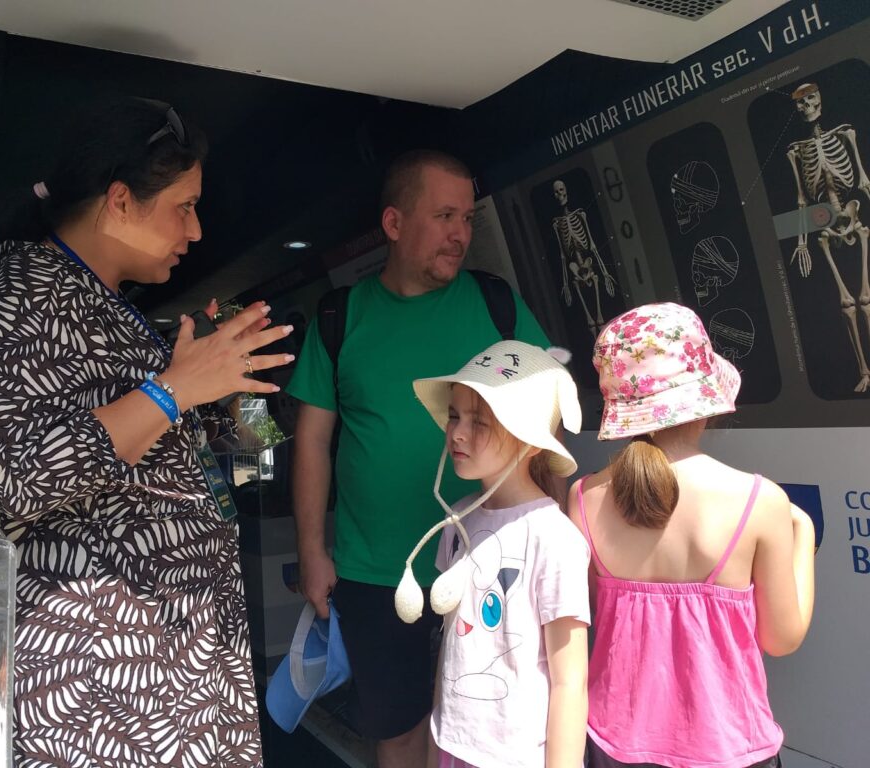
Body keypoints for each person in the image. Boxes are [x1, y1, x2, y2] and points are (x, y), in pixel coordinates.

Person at [0, 97, 293, 768]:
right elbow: (17, 480)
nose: (196, 231)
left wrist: (242, 391)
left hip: (185, 663)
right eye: (184, 206)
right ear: (122, 200)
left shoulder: (123, 319)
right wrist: (173, 389)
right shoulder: (15, 296)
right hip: (106, 680)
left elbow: (246, 465)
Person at [288, 150, 551, 767]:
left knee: (489, 729)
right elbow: (312, 442)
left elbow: (547, 413)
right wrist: (312, 550)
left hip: (492, 565)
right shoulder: (341, 318)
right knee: (399, 731)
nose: (461, 233)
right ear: (394, 223)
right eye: (443, 216)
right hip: (377, 571)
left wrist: (549, 528)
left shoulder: (495, 305)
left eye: (467, 218)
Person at [569, 302, 816, 768]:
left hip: (614, 743)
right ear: (704, 404)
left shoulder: (582, 498)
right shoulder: (759, 500)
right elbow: (782, 638)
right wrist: (802, 531)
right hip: (728, 749)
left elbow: (601, 613)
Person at [393, 340, 590, 768]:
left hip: (514, 756)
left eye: (480, 421)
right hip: (451, 744)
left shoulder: (553, 537)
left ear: (530, 441)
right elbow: (451, 644)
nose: (457, 433)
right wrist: (436, 739)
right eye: (454, 416)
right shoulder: (457, 519)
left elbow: (570, 681)